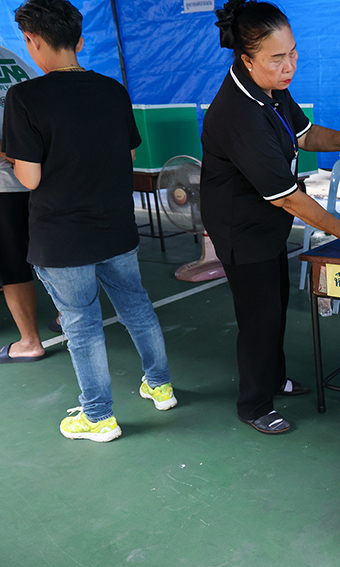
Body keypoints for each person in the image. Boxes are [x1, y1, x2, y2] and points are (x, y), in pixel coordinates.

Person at [201, 0, 340, 435]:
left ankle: (273, 379)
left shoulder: (271, 90)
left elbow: (305, 134)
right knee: (259, 317)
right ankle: (254, 404)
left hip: (265, 224)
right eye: (277, 58)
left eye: (292, 52)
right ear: (246, 59)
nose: (289, 65)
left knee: (274, 305)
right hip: (241, 227)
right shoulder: (238, 114)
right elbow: (288, 198)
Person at [2, 0, 177, 442]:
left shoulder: (25, 98)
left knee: (81, 323)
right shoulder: (112, 90)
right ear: (77, 40)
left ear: (33, 40)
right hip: (115, 227)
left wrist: (12, 155)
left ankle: (98, 416)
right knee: (137, 306)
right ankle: (160, 387)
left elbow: (29, 177)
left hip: (62, 238)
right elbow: (130, 154)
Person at [0, 44, 46, 364]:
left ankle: (30, 340)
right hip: (42, 176)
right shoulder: (11, 55)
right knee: (52, 252)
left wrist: (14, 153)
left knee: (13, 262)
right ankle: (67, 318)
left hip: (9, 181)